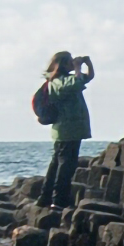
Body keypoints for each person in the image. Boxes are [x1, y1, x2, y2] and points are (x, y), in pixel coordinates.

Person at [37, 50, 93, 209]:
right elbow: (76, 83)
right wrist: (77, 68)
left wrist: (87, 64)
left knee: (58, 163)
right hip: (67, 130)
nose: (72, 63)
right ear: (62, 64)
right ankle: (58, 199)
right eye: (70, 61)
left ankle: (45, 198)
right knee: (65, 166)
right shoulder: (58, 81)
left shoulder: (65, 79)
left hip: (70, 130)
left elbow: (86, 78)